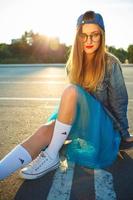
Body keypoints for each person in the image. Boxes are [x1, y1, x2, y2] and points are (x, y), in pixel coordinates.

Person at [0, 10, 133, 181]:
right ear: (77, 37)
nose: (89, 40)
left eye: (94, 35)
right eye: (83, 35)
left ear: (102, 36)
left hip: (103, 127)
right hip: (82, 122)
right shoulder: (73, 65)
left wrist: (124, 134)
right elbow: (75, 104)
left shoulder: (111, 63)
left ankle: (51, 154)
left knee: (71, 90)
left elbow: (119, 103)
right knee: (45, 130)